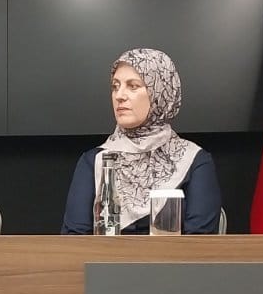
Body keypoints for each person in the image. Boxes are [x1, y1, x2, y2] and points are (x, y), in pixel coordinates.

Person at [62, 48, 222, 234]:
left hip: (173, 254)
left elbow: (200, 241)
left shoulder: (193, 160)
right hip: (103, 255)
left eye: (133, 86)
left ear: (159, 93)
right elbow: (74, 239)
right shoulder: (95, 161)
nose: (119, 95)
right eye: (115, 86)